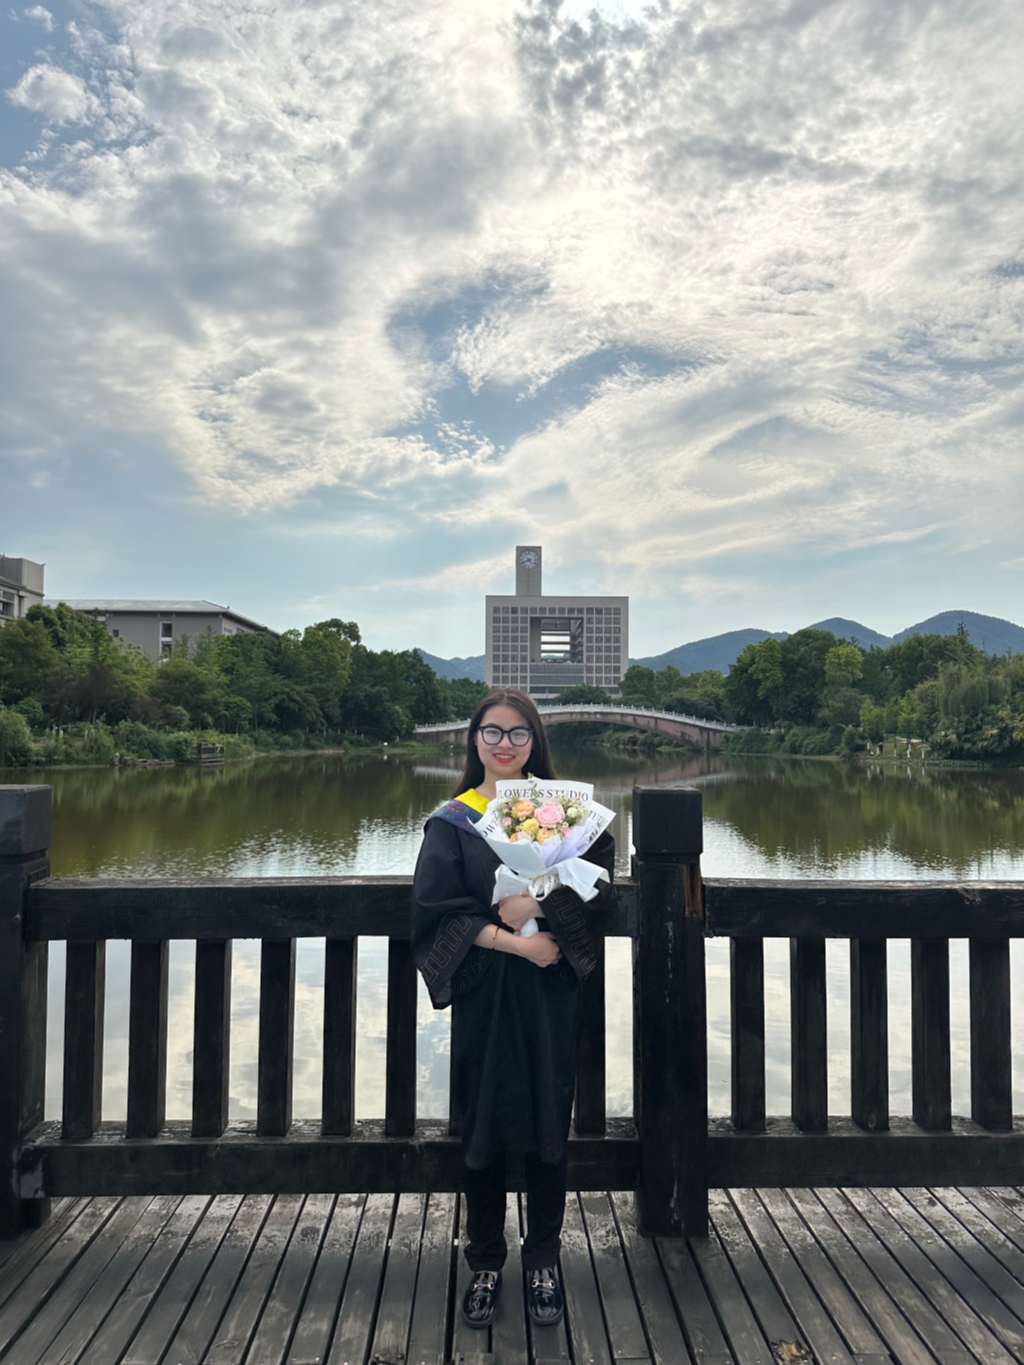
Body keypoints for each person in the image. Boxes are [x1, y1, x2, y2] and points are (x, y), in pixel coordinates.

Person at [411, 688, 614, 1330]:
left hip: (550, 988)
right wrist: (514, 942)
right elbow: (435, 911)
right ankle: (486, 1261)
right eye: (492, 731)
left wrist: (537, 897)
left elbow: (600, 880)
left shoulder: (558, 811)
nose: (504, 744)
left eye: (518, 733)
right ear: (474, 739)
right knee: (483, 1124)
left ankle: (543, 1260)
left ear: (535, 741)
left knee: (551, 1118)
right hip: (487, 990)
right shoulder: (454, 821)